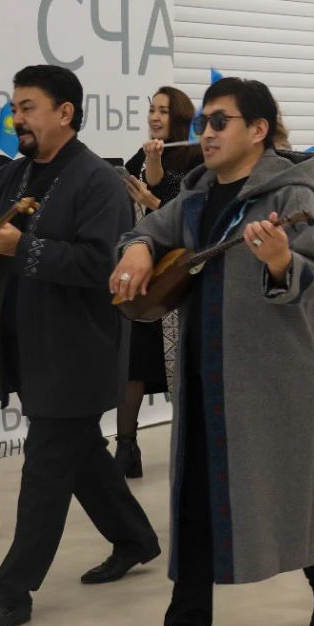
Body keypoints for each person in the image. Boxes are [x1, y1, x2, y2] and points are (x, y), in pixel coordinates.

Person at [109, 77, 314, 626]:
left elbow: (312, 281)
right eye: (203, 123)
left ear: (258, 130)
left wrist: (280, 261)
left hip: (276, 380)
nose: (207, 133)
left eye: (220, 121)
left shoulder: (292, 193)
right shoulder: (195, 195)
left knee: (293, 492)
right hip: (204, 376)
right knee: (194, 501)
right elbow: (149, 229)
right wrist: (137, 248)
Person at [0, 65, 159, 626]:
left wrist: (22, 247)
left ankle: (11, 593)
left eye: (28, 107)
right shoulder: (16, 174)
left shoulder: (98, 181)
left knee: (45, 469)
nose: (18, 119)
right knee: (79, 455)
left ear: (65, 113)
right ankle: (135, 538)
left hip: (78, 349)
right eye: (14, 108)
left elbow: (100, 264)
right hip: (30, 343)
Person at [115, 87, 204, 479]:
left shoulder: (197, 158)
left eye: (163, 111)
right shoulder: (141, 155)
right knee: (134, 363)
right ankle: (125, 446)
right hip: (145, 272)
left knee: (181, 368)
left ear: (179, 117)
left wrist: (151, 201)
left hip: (180, 277)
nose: (154, 117)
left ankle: (190, 446)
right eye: (152, 109)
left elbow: (186, 212)